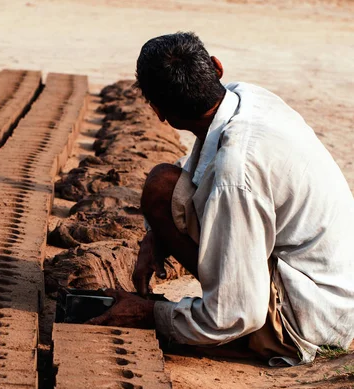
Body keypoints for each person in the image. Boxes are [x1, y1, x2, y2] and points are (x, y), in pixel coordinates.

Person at [90, 32, 354, 365]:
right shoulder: (248, 97)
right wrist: (155, 234)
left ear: (157, 111)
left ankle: (260, 343)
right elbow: (191, 179)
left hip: (313, 318)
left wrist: (153, 315)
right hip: (330, 283)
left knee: (223, 318)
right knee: (163, 186)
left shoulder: (238, 170)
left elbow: (239, 313)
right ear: (217, 67)